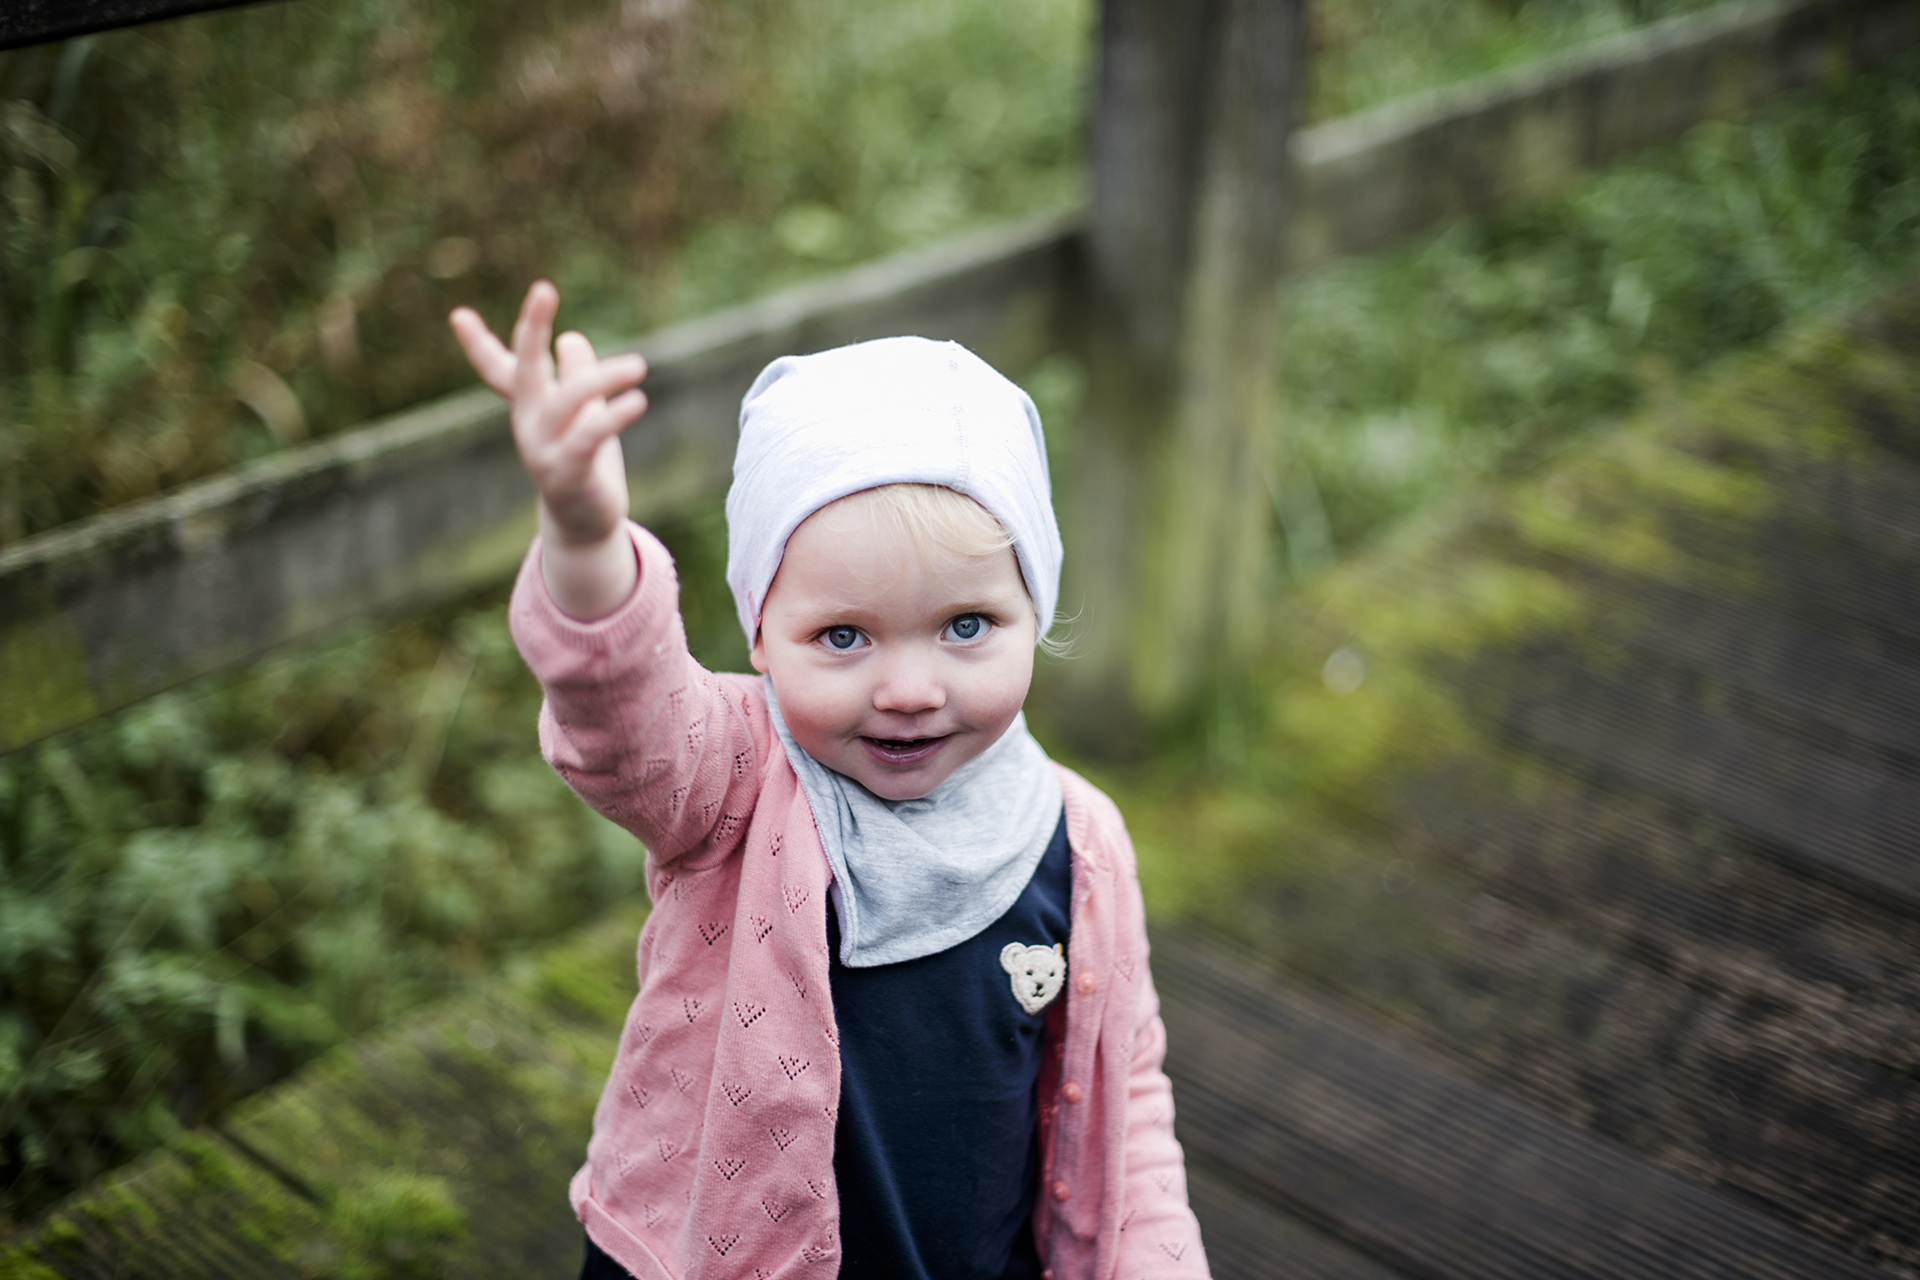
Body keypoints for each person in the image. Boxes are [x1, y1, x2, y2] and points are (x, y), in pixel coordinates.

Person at [450, 282, 1208, 1280]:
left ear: (1038, 609)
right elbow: (622, 724)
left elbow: (1125, 1096)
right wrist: (587, 540)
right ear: (761, 632)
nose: (907, 688)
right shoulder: (734, 777)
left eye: (967, 625)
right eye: (842, 636)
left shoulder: (1078, 839)